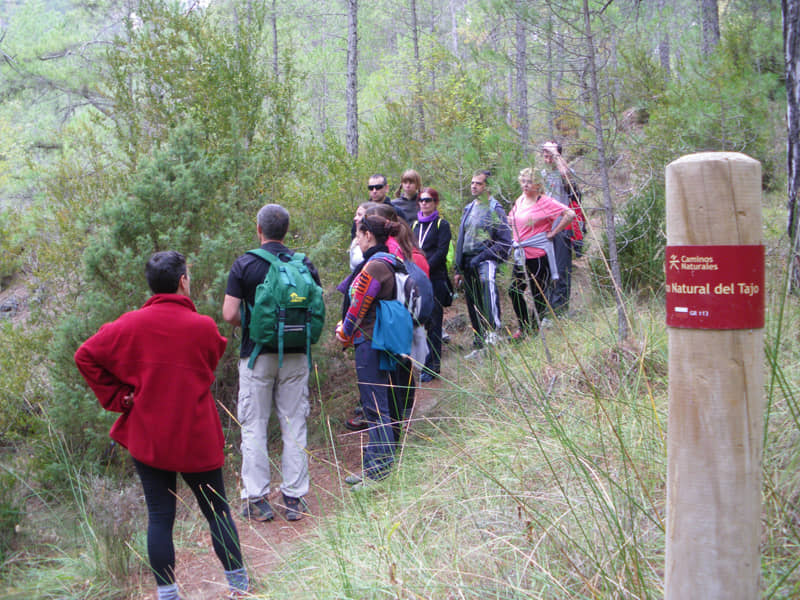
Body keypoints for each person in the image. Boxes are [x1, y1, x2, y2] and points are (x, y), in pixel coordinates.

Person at [74, 251, 249, 600]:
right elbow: (212, 360)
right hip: (196, 436)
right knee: (217, 512)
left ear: (151, 285)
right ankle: (239, 587)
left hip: (149, 436)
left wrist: (122, 398)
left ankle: (168, 594)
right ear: (183, 281)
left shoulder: (129, 324)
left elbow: (85, 356)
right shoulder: (203, 327)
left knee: (159, 517)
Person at [222, 204, 320, 522]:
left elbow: (229, 314)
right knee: (294, 423)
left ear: (259, 229)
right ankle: (294, 498)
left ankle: (257, 499)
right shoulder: (303, 264)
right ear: (286, 231)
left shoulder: (245, 264)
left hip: (256, 356)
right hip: (296, 355)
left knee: (254, 426)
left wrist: (253, 327)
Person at [335, 214, 407, 487]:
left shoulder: (375, 267)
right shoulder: (390, 260)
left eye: (358, 234)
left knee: (375, 407)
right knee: (378, 404)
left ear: (368, 235)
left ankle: (379, 473)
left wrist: (343, 332)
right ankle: (373, 466)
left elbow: (358, 306)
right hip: (382, 339)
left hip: (370, 339)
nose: (357, 239)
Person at [363, 203, 430, 445]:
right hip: (404, 327)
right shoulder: (406, 251)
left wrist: (349, 329)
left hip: (391, 331)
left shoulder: (384, 258)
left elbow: (362, 299)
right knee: (400, 384)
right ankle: (397, 436)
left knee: (393, 388)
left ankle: (390, 447)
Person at [508, 168, 575, 337]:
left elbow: (569, 213)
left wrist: (553, 232)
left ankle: (534, 329)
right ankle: (524, 326)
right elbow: (512, 218)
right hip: (521, 254)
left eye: (529, 182)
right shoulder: (520, 200)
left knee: (538, 293)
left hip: (538, 254)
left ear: (538, 184)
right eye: (523, 181)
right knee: (514, 290)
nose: (525, 185)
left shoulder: (545, 201)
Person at [453, 169, 512, 355]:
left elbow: (504, 241)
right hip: (468, 262)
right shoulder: (469, 208)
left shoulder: (495, 208)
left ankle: (493, 334)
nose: (473, 186)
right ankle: (479, 340)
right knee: (473, 302)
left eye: (478, 183)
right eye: (472, 182)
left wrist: (483, 256)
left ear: (487, 186)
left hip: (486, 260)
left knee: (488, 292)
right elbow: (462, 238)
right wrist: (458, 266)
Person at [412, 187, 452, 380]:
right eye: (421, 200)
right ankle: (421, 363)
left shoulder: (441, 225)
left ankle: (433, 366)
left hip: (435, 279)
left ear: (435, 202)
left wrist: (425, 268)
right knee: (421, 322)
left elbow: (442, 252)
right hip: (417, 280)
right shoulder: (415, 225)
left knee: (435, 322)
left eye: (428, 200)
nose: (424, 203)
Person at [541, 141, 585, 314]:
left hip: (562, 226)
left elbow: (567, 176)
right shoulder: (541, 175)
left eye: (550, 155)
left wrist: (556, 154)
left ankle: (560, 311)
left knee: (561, 270)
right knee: (545, 271)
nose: (548, 159)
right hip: (544, 228)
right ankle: (547, 310)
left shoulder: (564, 172)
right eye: (545, 155)